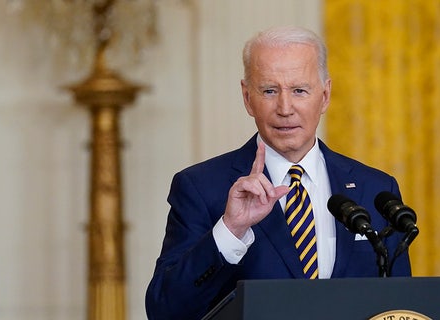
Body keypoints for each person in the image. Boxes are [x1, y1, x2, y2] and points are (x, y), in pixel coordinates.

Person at [145, 26, 411, 320]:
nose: (285, 108)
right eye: (270, 91)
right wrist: (231, 230)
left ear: (324, 96)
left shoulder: (375, 189)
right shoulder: (200, 187)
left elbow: (401, 308)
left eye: (299, 90)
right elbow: (165, 310)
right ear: (247, 98)